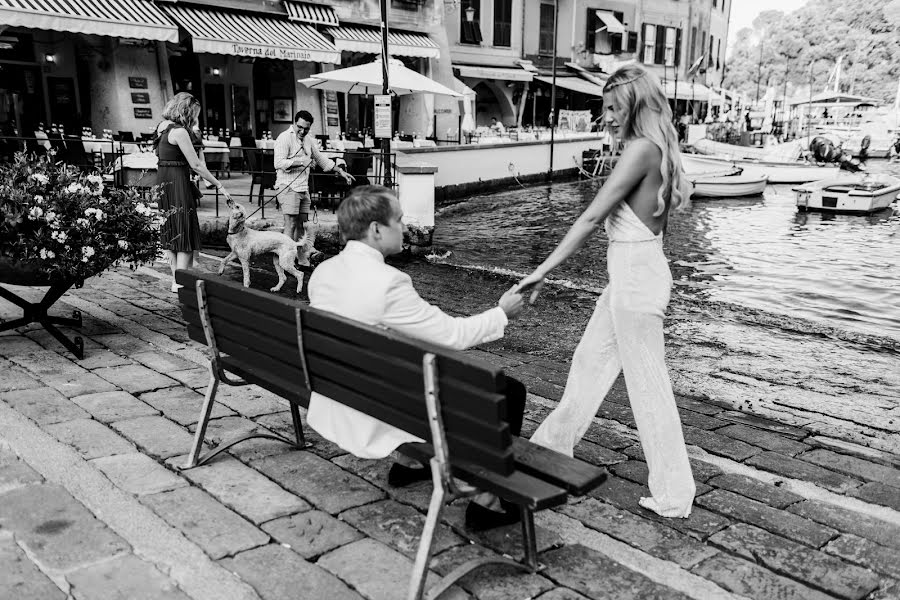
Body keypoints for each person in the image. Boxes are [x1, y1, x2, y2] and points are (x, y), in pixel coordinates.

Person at [515, 64, 696, 519]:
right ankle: (553, 447)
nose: (606, 117)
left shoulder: (641, 149)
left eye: (614, 107)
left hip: (636, 283)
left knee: (648, 386)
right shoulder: (651, 149)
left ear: (634, 105)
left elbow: (591, 218)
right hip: (633, 277)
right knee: (589, 364)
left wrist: (542, 272)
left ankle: (675, 491)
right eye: (605, 107)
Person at [307, 185, 527, 529]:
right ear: (377, 230)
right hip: (381, 406)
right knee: (507, 391)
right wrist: (502, 312)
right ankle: (486, 499)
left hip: (341, 390)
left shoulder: (324, 272)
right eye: (399, 220)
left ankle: (410, 462)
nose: (406, 228)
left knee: (411, 366)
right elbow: (453, 335)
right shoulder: (388, 282)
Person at [154, 92, 232, 293]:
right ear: (187, 111)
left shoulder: (162, 127)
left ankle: (176, 278)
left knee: (172, 229)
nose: (195, 117)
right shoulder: (180, 132)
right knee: (184, 229)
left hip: (164, 181)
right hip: (178, 181)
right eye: (194, 113)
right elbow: (196, 164)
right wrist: (218, 184)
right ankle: (181, 280)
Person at [274, 110, 354, 247]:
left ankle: (300, 258)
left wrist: (340, 170)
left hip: (303, 188)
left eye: (306, 128)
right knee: (291, 223)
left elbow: (320, 159)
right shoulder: (284, 137)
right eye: (300, 127)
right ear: (294, 123)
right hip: (288, 186)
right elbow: (278, 163)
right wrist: (301, 162)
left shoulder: (308, 140)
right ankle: (285, 260)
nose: (302, 131)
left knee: (301, 224)